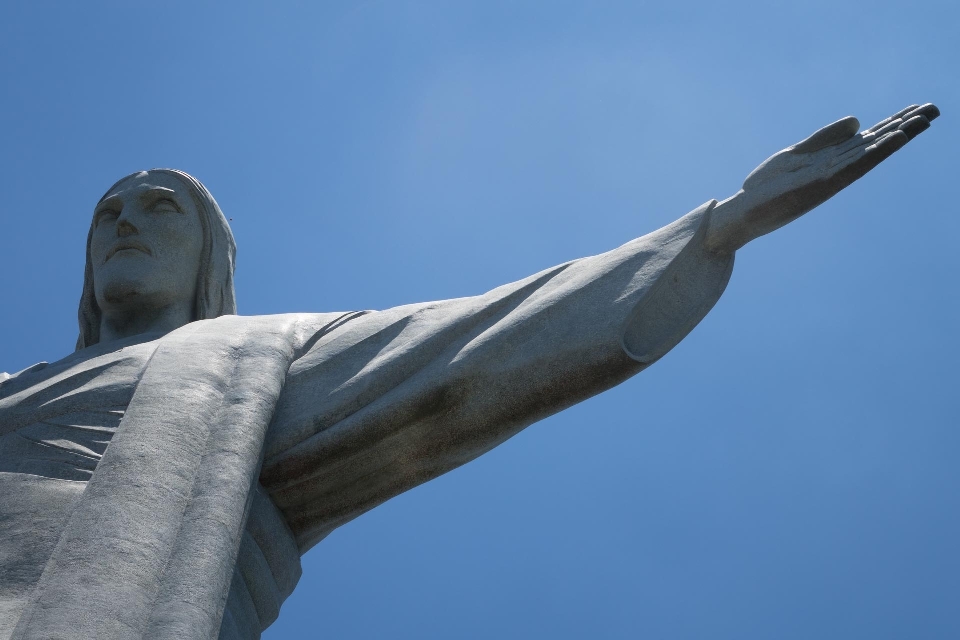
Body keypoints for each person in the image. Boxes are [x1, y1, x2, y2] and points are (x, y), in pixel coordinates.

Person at [0, 104, 939, 640]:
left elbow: (481, 343)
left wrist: (714, 228)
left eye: (161, 208)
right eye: (107, 211)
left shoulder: (248, 367)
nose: (125, 221)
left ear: (209, 259)